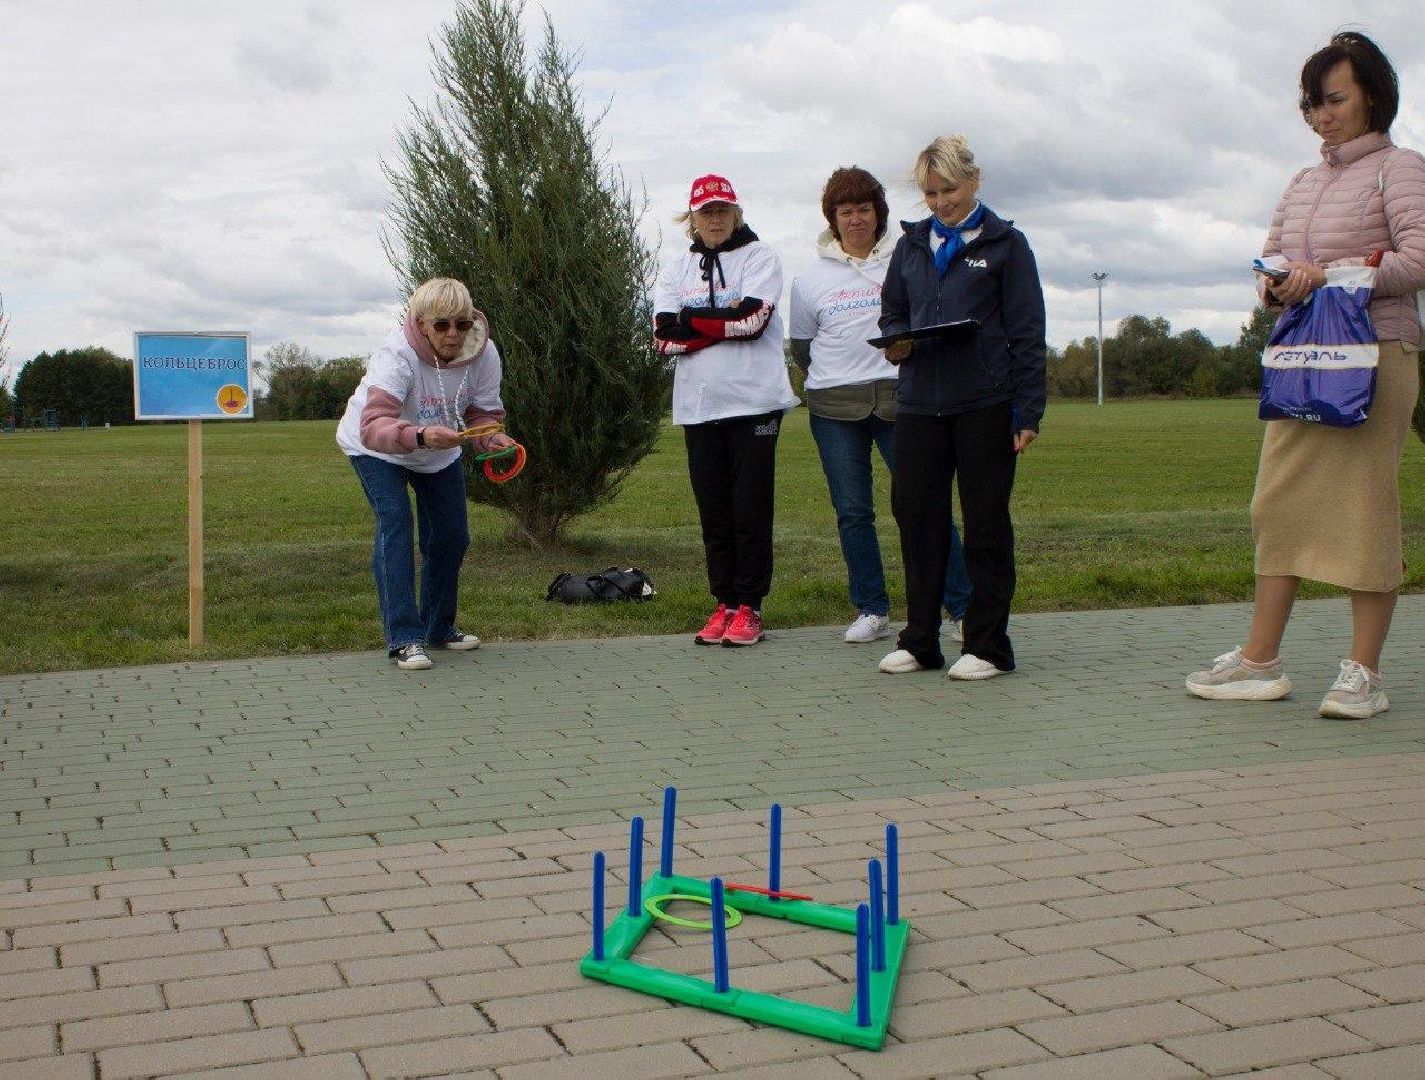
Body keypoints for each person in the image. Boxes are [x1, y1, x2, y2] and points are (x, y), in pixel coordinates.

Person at [1186, 32, 1425, 718]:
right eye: (1311, 103)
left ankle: (1363, 675)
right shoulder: (1301, 181)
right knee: (1275, 501)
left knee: (1362, 505)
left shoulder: (1400, 167)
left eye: (1334, 99)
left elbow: (1417, 259)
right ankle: (1260, 661)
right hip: (1301, 357)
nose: (1320, 114)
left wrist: (1335, 276)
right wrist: (1275, 285)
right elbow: (1270, 259)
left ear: (1372, 96)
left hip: (1378, 354)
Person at [874, 135, 1046, 680]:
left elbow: (1027, 332)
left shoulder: (1006, 245)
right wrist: (896, 339)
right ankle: (920, 640)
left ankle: (989, 645)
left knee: (985, 525)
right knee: (917, 521)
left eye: (949, 189)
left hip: (986, 405)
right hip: (921, 404)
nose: (941, 202)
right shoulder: (911, 245)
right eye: (930, 193)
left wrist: (1028, 411)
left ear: (974, 181)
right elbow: (892, 312)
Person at [790, 166, 972, 644]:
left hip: (901, 401)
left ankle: (961, 606)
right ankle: (871, 608)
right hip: (834, 406)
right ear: (832, 218)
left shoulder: (907, 257)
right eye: (845, 211)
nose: (855, 220)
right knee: (853, 512)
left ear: (879, 213)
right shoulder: (809, 278)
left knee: (924, 505)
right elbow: (802, 347)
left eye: (864, 210)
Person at [336, 277, 514, 671]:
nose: (453, 334)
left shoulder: (485, 354)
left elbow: (483, 413)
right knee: (396, 523)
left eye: (463, 324)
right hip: (376, 447)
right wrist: (419, 435)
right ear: (420, 323)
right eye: (442, 325)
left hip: (437, 449)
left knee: (451, 535)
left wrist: (491, 437)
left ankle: (438, 628)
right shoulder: (395, 354)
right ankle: (404, 637)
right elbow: (373, 426)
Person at [654, 174, 800, 647]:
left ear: (736, 213)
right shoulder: (676, 267)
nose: (715, 219)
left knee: (749, 509)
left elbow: (754, 321)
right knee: (714, 511)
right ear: (692, 218)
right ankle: (725, 601)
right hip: (698, 407)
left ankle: (751, 606)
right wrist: (718, 320)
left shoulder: (760, 257)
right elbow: (662, 338)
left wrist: (691, 320)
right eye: (705, 212)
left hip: (754, 401)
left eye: (723, 210)